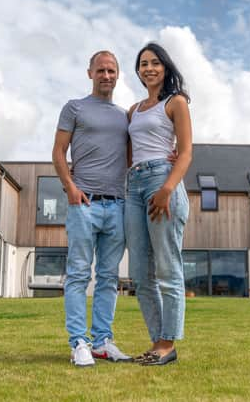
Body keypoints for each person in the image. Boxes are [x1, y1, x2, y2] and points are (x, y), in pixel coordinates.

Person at [52, 50, 133, 367]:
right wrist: (70, 188)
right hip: (84, 204)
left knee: (109, 278)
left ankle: (102, 342)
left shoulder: (124, 116)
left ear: (118, 74)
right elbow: (58, 152)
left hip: (117, 206)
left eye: (112, 70)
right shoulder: (74, 108)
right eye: (101, 70)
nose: (107, 75)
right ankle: (79, 343)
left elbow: (130, 157)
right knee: (77, 276)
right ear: (90, 73)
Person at [125, 42, 192, 366]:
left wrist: (167, 188)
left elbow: (187, 151)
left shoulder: (175, 102)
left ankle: (168, 343)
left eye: (154, 62)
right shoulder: (133, 110)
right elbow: (129, 150)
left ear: (165, 67)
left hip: (161, 182)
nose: (148, 68)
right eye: (143, 64)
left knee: (167, 268)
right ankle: (156, 342)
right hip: (134, 186)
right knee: (140, 273)